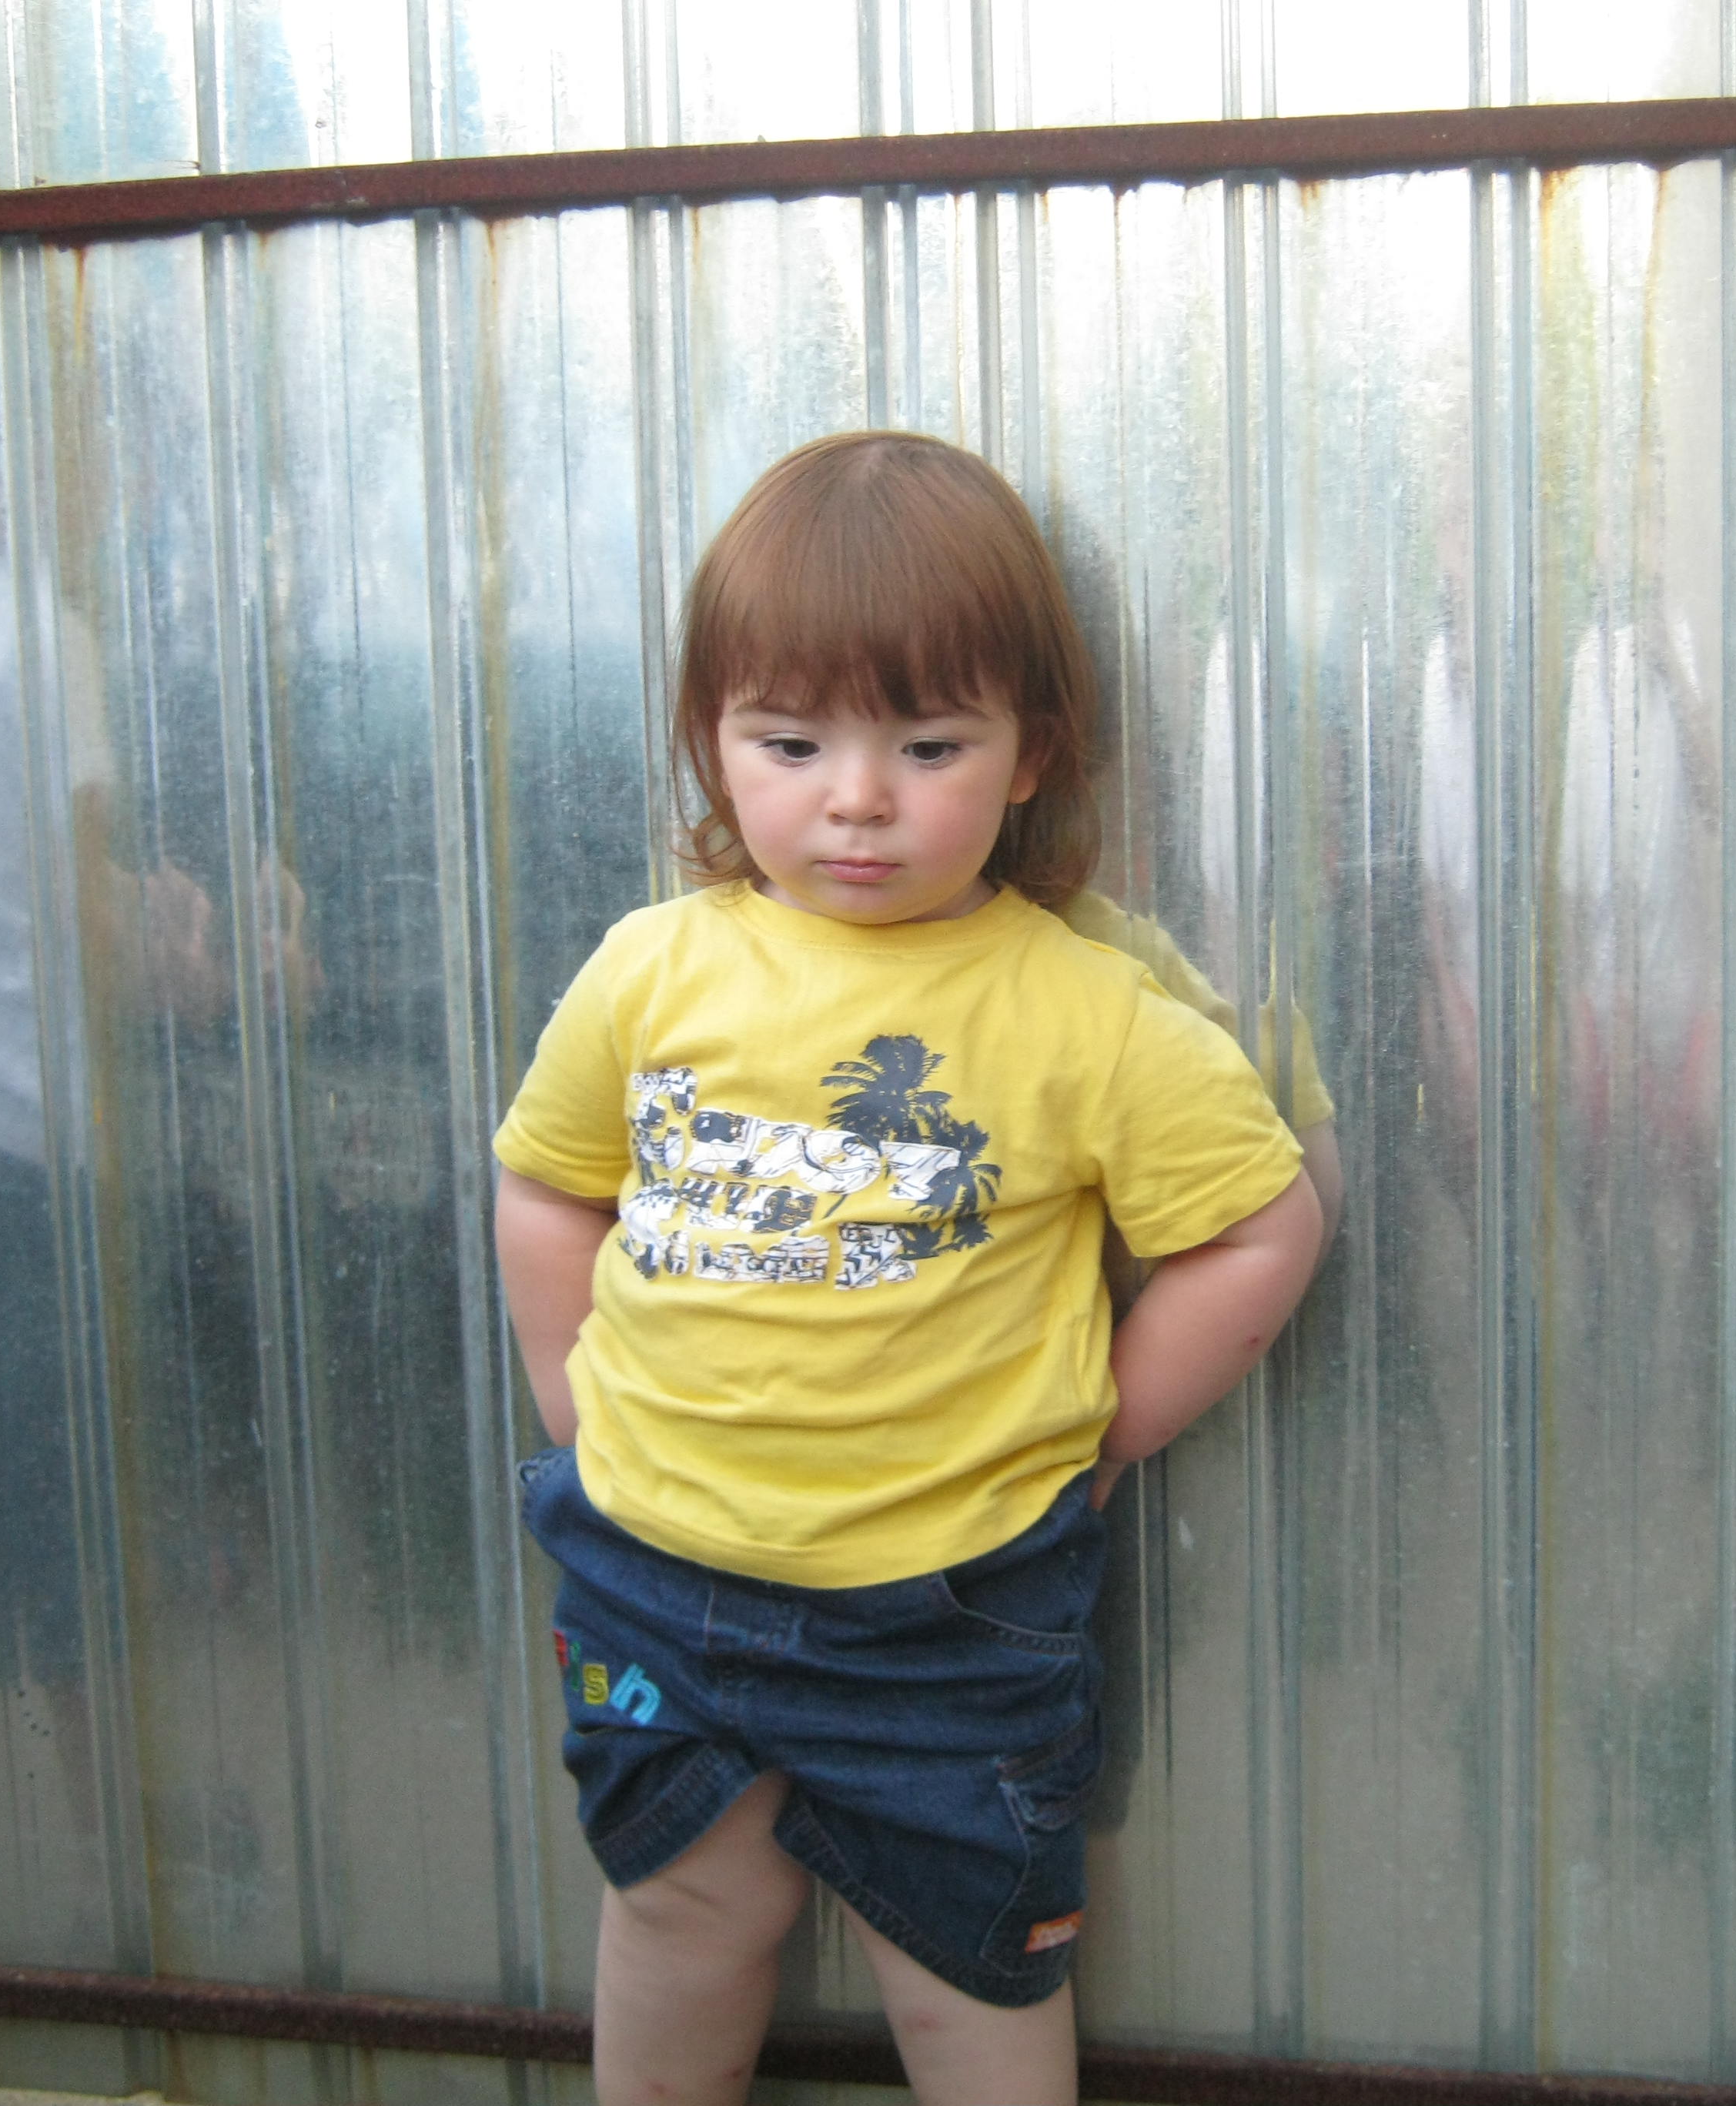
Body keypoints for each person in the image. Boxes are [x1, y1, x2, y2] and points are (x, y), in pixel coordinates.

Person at [491, 431, 1326, 2106]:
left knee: (968, 1966)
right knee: (681, 1911)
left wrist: (1105, 1433)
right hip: (655, 1574)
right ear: (712, 741)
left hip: (946, 1608)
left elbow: (1259, 1228)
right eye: (790, 742)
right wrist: (575, 1405)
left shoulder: (1083, 1008)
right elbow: (550, 1181)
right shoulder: (651, 970)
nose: (857, 797)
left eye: (930, 744)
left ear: (1032, 756)